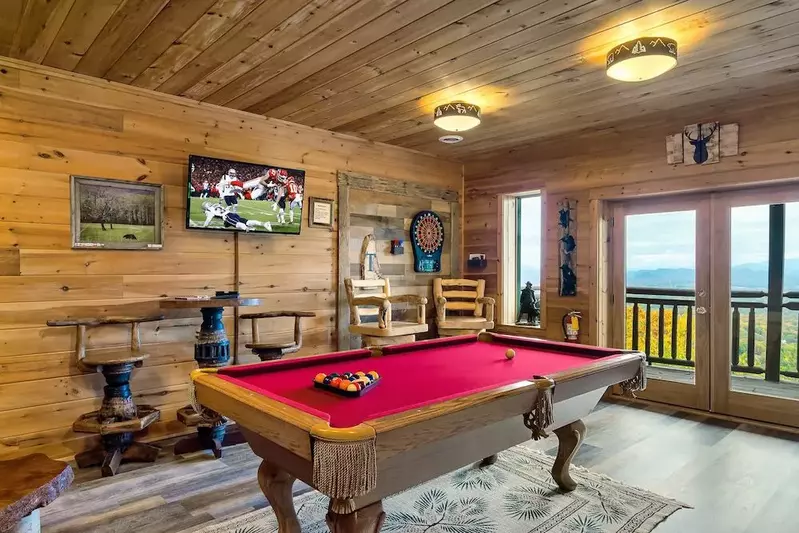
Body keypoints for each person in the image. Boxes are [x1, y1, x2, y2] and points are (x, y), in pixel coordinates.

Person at [200, 202, 272, 232]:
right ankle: (264, 224)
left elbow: (208, 221)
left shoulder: (209, 210)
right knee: (247, 221)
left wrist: (204, 227)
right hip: (232, 214)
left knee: (237, 224)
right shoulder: (216, 205)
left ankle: (250, 230)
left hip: (227, 216)